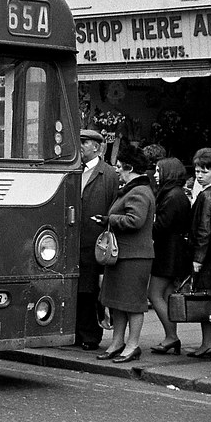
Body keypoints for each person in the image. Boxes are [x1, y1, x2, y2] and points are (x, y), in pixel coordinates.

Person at [93, 144, 155, 363]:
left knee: (132, 303)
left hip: (134, 257)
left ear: (129, 167)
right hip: (122, 256)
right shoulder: (132, 189)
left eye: (119, 166)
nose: (116, 170)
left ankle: (132, 344)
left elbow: (135, 221)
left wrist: (109, 220)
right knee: (116, 301)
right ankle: (117, 342)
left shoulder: (139, 191)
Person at [75, 128, 120, 350]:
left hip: (96, 240)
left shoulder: (108, 174)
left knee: (91, 289)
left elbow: (115, 204)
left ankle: (91, 335)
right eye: (80, 141)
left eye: (85, 142)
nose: (81, 145)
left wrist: (107, 223)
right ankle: (76, 332)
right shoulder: (74, 170)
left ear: (97, 147)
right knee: (76, 287)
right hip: (74, 239)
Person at [148, 157, 192, 355]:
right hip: (172, 251)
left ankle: (171, 336)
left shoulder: (172, 196)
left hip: (168, 252)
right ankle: (170, 336)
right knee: (165, 295)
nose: (156, 175)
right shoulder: (176, 194)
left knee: (154, 294)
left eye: (159, 171)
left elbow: (161, 226)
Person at [187, 147, 211, 359]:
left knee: (205, 299)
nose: (199, 175)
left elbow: (204, 229)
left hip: (205, 256)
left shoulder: (207, 195)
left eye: (204, 171)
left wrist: (198, 258)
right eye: (197, 171)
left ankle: (206, 343)